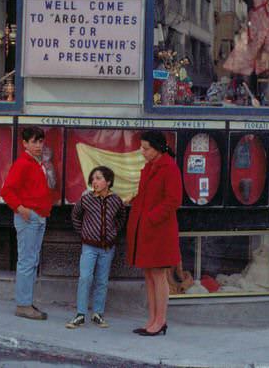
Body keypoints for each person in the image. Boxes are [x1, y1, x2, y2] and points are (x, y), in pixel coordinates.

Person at [126, 130, 182, 336]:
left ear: (157, 148)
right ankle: (152, 319)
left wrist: (150, 218)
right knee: (149, 274)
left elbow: (173, 200)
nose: (142, 151)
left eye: (146, 148)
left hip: (159, 231)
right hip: (147, 229)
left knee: (158, 275)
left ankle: (160, 320)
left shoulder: (169, 169)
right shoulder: (150, 167)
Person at [0, 127, 53, 320]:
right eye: (34, 142)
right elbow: (7, 191)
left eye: (40, 141)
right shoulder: (23, 163)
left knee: (32, 261)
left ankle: (26, 302)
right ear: (25, 143)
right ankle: (23, 305)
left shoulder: (38, 163)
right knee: (27, 262)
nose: (38, 145)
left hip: (38, 216)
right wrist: (21, 209)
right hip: (29, 217)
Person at [66, 166, 125, 329]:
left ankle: (98, 313)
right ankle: (80, 314)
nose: (95, 181)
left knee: (102, 281)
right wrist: (84, 232)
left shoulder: (116, 201)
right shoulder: (86, 199)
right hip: (89, 247)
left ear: (108, 181)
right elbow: (75, 216)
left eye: (99, 178)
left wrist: (113, 233)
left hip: (107, 248)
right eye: (93, 178)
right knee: (85, 278)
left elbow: (121, 218)